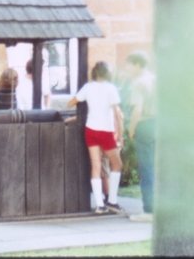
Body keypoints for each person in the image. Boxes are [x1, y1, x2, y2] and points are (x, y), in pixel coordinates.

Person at [67, 61, 124, 214]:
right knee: (117, 165)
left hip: (91, 129)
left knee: (96, 166)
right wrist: (120, 134)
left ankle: (100, 205)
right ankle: (112, 200)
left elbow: (70, 103)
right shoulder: (111, 88)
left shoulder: (87, 87)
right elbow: (117, 114)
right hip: (106, 130)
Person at [124, 51, 156, 222]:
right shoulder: (155, 79)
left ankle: (149, 211)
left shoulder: (138, 83)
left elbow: (137, 109)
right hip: (158, 124)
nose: (127, 68)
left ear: (137, 65)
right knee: (157, 168)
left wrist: (131, 129)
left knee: (146, 169)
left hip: (143, 125)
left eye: (129, 64)